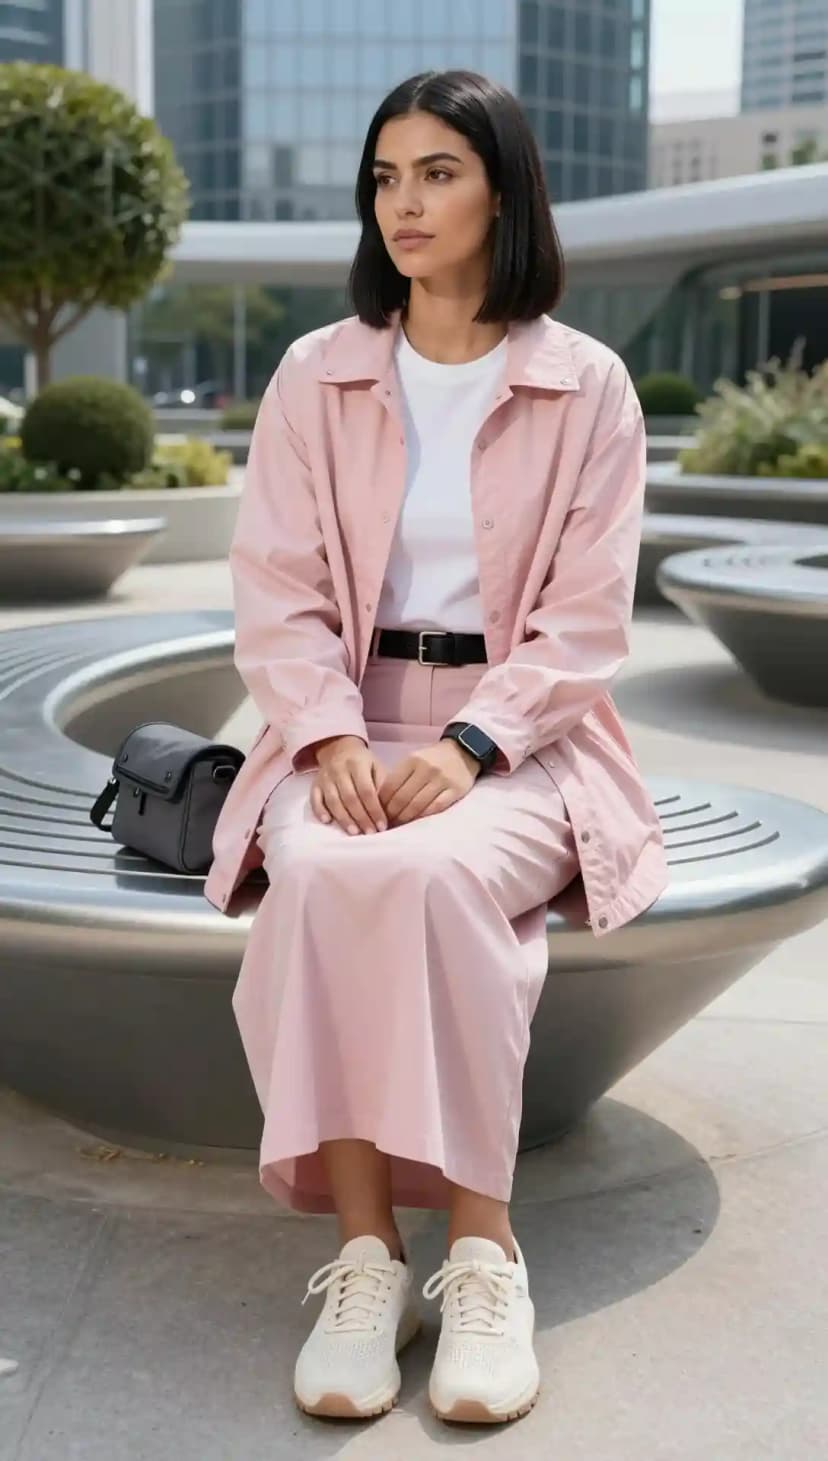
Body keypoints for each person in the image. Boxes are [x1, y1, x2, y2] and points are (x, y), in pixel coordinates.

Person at [204, 70, 669, 1426]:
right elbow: (276, 587)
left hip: (524, 739)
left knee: (438, 875)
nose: (403, 204)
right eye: (385, 177)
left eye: (439, 173)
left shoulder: (586, 385)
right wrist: (329, 736)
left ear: (504, 192)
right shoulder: (318, 373)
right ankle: (368, 1259)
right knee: (324, 873)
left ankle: (484, 1253)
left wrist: (473, 742)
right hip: (341, 723)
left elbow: (588, 620)